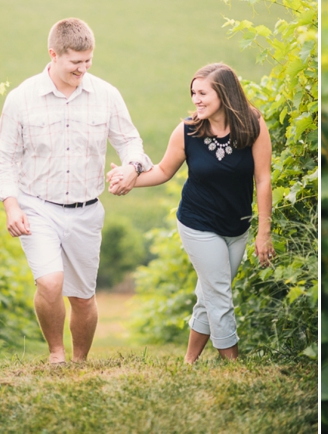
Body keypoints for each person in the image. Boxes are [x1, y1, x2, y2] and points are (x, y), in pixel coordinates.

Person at [0, 17, 153, 364]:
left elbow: (130, 141)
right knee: (49, 283)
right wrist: (11, 205)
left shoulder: (106, 95)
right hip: (36, 205)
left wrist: (132, 166)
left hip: (86, 209)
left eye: (88, 61)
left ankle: (79, 361)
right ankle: (56, 354)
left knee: (81, 297)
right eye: (75, 62)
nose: (83, 69)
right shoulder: (21, 98)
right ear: (53, 54)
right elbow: (2, 157)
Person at [107, 62, 273, 363]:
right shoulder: (187, 131)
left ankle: (189, 361)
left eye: (203, 93)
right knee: (220, 291)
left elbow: (263, 179)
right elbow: (162, 171)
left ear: (224, 93)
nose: (196, 99)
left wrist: (264, 231)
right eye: (193, 93)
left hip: (237, 226)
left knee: (209, 293)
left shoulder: (253, 124)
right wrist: (129, 178)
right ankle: (233, 364)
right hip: (197, 223)